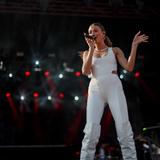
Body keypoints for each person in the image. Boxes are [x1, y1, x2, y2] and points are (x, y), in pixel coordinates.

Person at [80, 22, 149, 160]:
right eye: (90, 31)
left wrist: (134, 46)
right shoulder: (88, 53)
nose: (92, 33)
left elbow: (129, 67)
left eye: (95, 31)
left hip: (113, 88)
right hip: (95, 90)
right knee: (91, 130)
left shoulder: (114, 50)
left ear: (103, 33)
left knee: (123, 126)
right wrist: (91, 49)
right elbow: (85, 71)